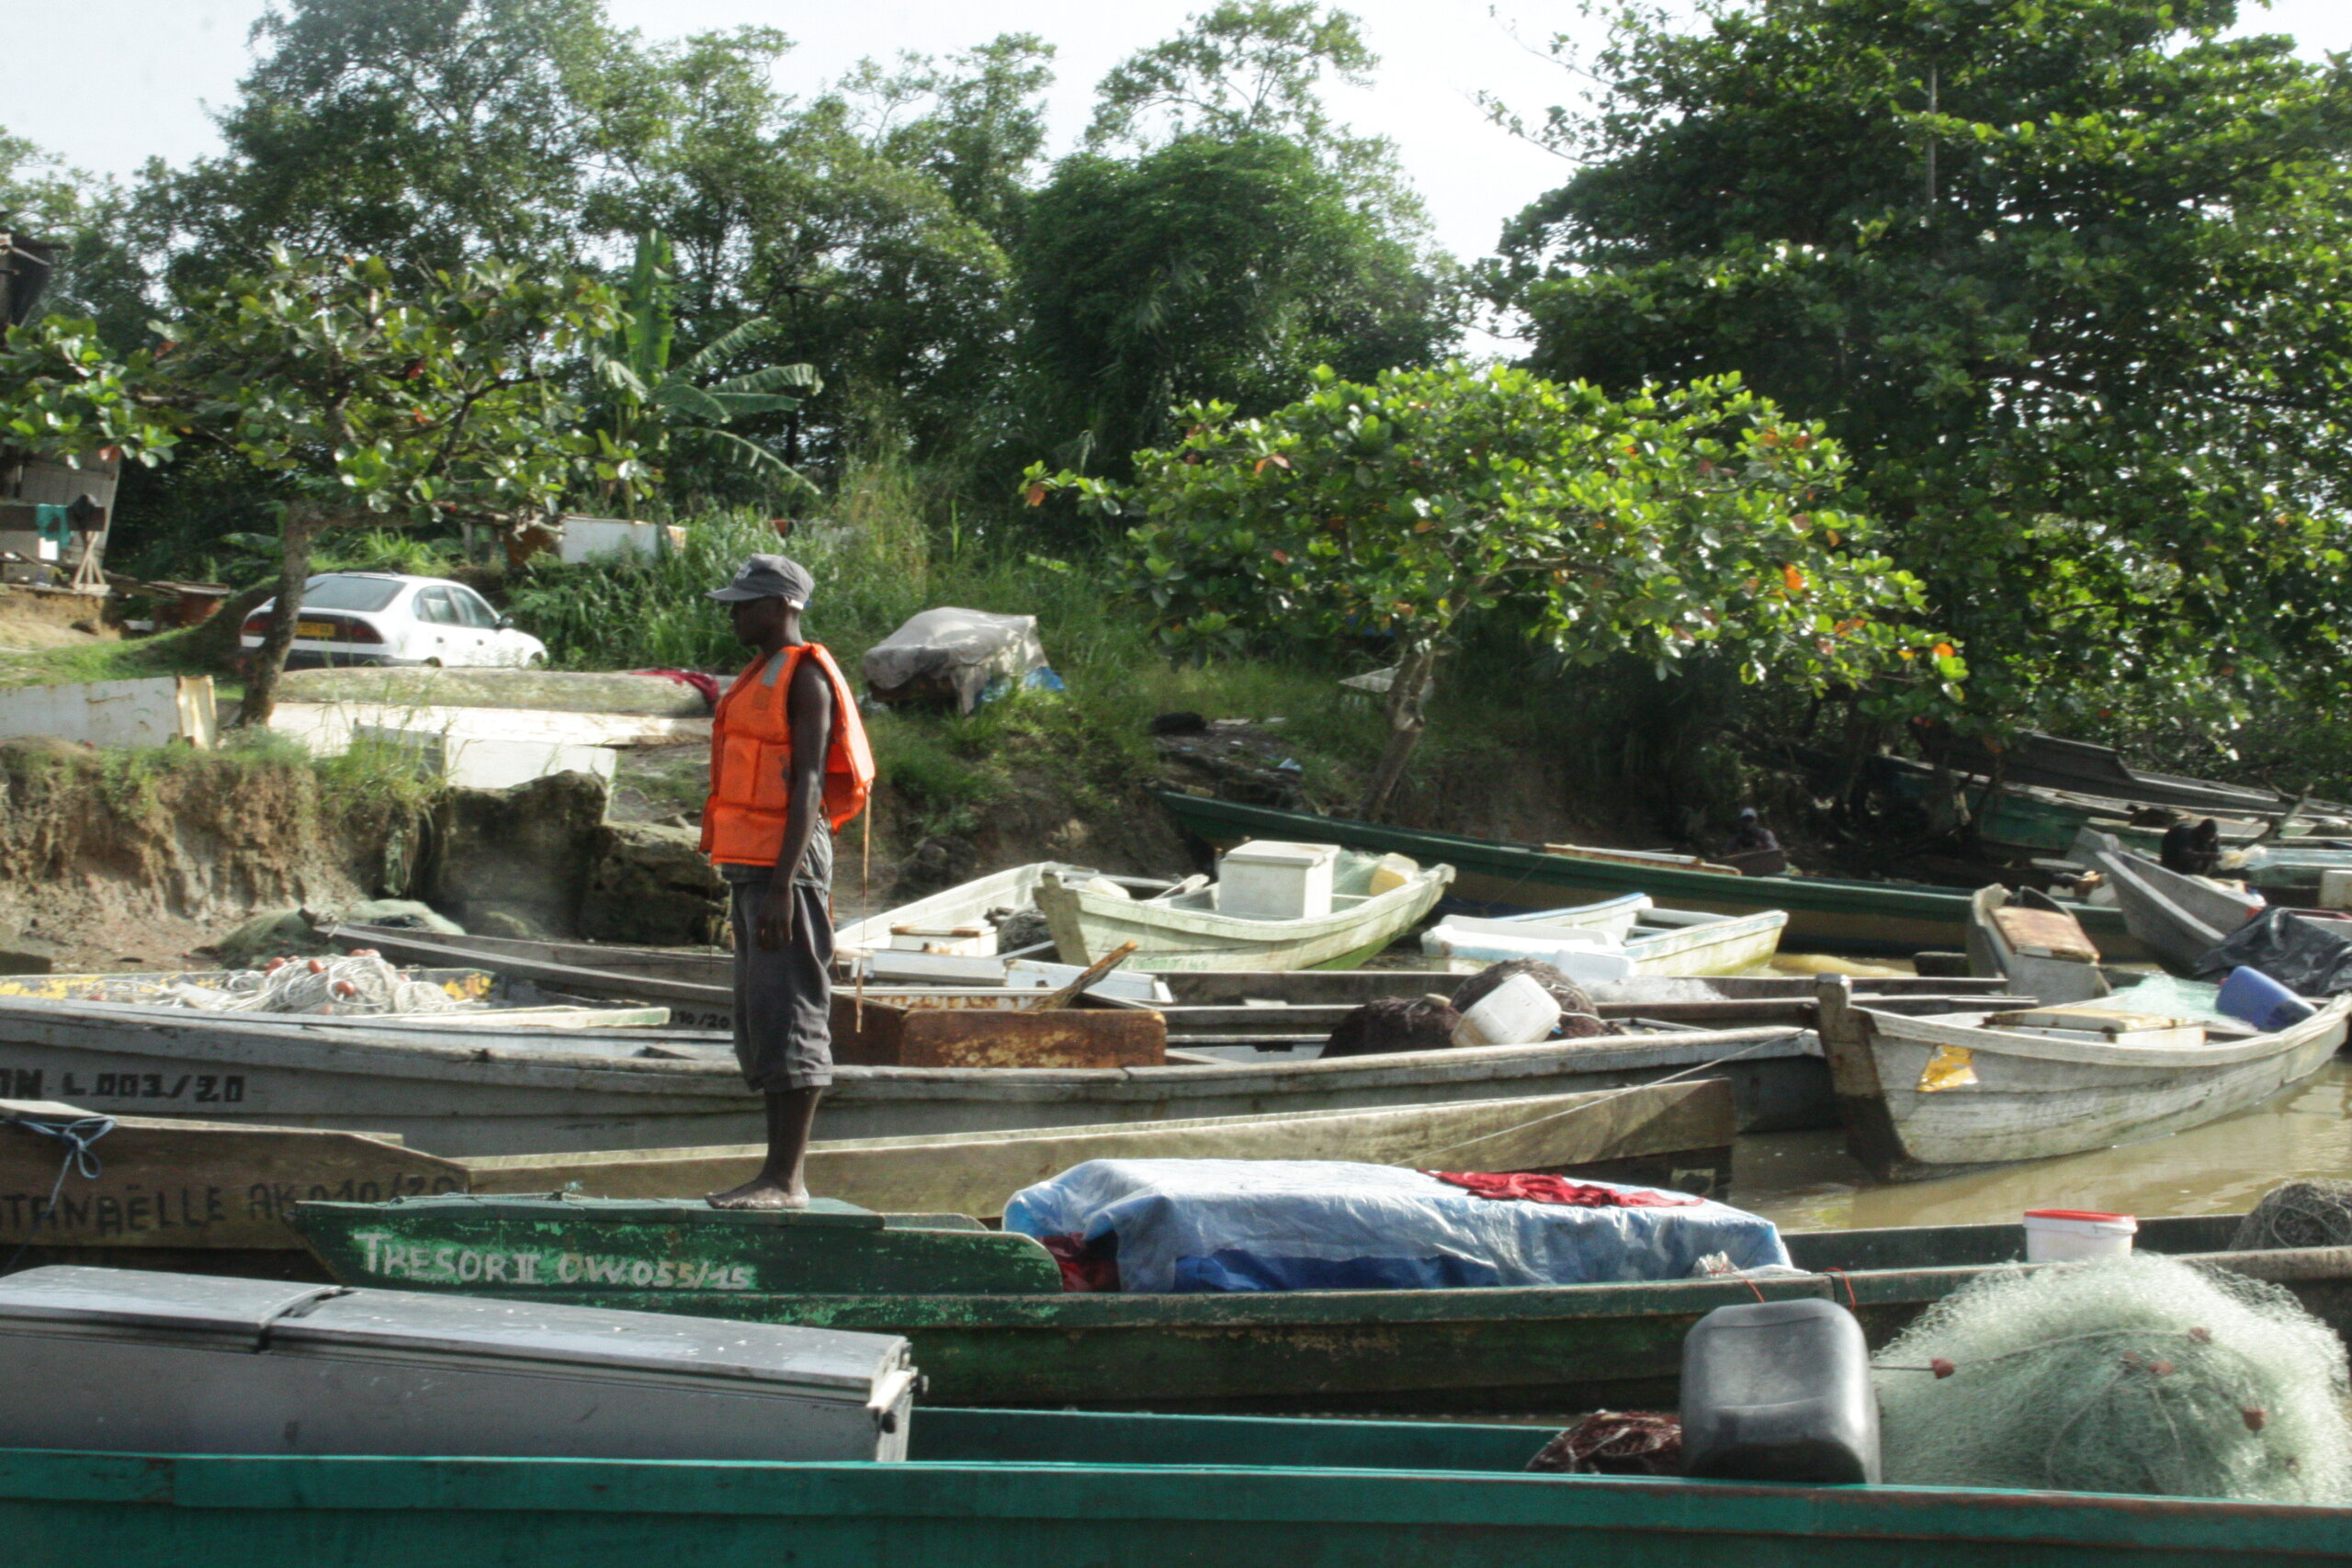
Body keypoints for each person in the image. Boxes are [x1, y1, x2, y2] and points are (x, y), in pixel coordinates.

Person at [699, 554, 874, 1210]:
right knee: (762, 1017)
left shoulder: (806, 679)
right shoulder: (759, 675)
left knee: (793, 1009)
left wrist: (781, 884)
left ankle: (787, 1180)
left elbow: (806, 785)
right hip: (757, 869)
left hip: (787, 870)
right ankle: (773, 1175)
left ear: (784, 606)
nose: (736, 612)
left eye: (748, 602)